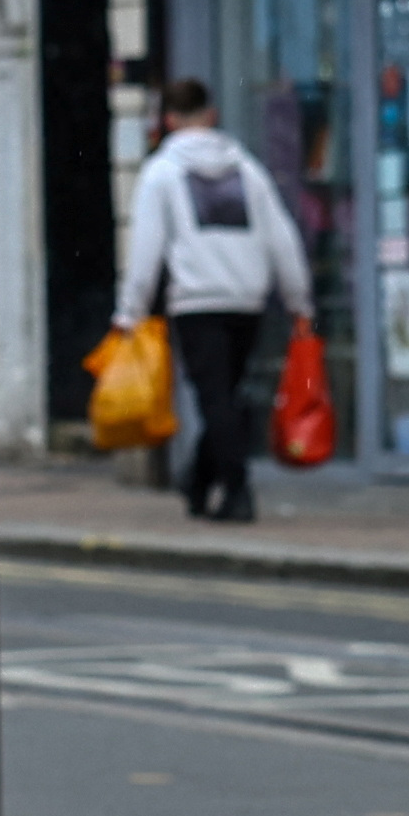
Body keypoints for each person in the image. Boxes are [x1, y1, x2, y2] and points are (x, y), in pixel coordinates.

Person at [111, 79, 312, 526]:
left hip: (197, 300)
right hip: (248, 299)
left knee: (215, 399)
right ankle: (200, 482)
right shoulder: (247, 169)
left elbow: (145, 249)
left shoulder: (161, 173)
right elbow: (282, 236)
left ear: (167, 121)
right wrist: (299, 301)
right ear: (212, 114)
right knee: (226, 396)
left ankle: (237, 492)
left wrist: (130, 311)